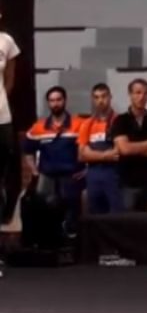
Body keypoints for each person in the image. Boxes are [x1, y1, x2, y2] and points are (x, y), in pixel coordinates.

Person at [23, 86, 85, 236]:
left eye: (58, 100)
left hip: (71, 177)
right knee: (44, 212)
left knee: (72, 215)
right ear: (48, 103)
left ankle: (71, 239)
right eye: (52, 100)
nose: (55, 103)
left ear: (65, 100)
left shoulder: (79, 124)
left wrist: (86, 170)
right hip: (47, 177)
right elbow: (27, 151)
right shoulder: (38, 127)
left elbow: (90, 149)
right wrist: (35, 171)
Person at [111, 79, 147, 212]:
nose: (142, 97)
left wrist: (134, 148)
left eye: (145, 93)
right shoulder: (121, 120)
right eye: (137, 93)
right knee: (128, 221)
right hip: (128, 184)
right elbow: (124, 149)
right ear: (130, 94)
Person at [78, 83, 122, 214]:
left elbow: (119, 152)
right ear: (93, 100)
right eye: (96, 97)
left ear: (110, 97)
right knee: (95, 216)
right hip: (93, 176)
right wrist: (105, 156)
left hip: (115, 175)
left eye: (104, 96)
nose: (100, 100)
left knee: (118, 215)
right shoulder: (87, 124)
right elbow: (81, 155)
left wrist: (92, 154)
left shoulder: (120, 121)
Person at [0, 23, 18, 224]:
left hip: (2, 115)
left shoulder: (6, 40)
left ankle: (5, 215)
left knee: (6, 162)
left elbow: (10, 80)